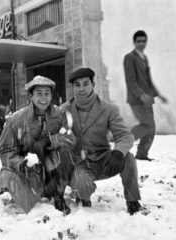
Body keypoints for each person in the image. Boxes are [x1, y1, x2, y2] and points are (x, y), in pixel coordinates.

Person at [60, 68, 142, 215]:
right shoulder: (64, 110)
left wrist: (117, 153)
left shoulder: (109, 109)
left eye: (85, 84)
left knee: (128, 158)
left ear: (93, 84)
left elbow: (125, 135)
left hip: (105, 160)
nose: (81, 88)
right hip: (81, 163)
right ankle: (82, 198)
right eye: (77, 85)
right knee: (81, 185)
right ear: (73, 88)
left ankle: (133, 201)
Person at [0, 76, 77, 214]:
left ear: (52, 96)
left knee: (66, 151)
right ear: (30, 96)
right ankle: (28, 197)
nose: (43, 98)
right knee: (28, 205)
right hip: (26, 173)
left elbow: (71, 139)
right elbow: (5, 150)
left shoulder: (59, 115)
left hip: (52, 172)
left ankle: (58, 195)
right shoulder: (16, 120)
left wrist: (51, 140)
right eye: (39, 93)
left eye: (47, 93)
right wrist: (21, 164)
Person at [123, 30, 168, 161]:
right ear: (134, 42)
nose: (141, 44)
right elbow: (130, 80)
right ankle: (122, 143)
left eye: (144, 41)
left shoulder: (144, 58)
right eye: (139, 41)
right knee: (147, 126)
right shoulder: (129, 58)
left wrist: (158, 95)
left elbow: (148, 80)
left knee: (151, 128)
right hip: (137, 100)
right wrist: (142, 95)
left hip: (148, 100)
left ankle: (142, 154)